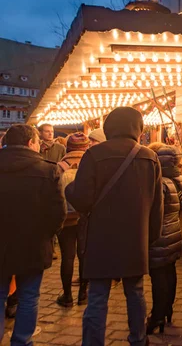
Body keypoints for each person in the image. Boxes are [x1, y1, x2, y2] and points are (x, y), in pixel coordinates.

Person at [66, 107, 164, 346]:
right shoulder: (149, 157)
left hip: (101, 237)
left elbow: (82, 199)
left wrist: (69, 189)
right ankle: (138, 339)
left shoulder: (94, 154)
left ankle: (93, 342)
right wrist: (150, 237)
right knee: (136, 292)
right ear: (138, 128)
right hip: (135, 237)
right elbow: (156, 205)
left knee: (98, 295)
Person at [0, 124, 66, 344]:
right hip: (33, 244)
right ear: (31, 143)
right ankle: (22, 341)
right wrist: (46, 236)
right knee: (29, 296)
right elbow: (58, 213)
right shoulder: (48, 170)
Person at [146, 143, 182, 334]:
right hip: (174, 231)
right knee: (170, 272)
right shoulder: (179, 179)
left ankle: (157, 315)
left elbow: (153, 212)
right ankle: (168, 310)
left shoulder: (159, 183)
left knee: (158, 276)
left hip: (159, 235)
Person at [55, 132, 90, 308]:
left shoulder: (59, 166)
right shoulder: (91, 165)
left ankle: (67, 296)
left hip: (65, 218)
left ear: (68, 147)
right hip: (86, 217)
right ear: (86, 147)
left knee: (67, 257)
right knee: (84, 254)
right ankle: (83, 293)